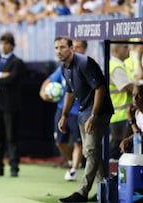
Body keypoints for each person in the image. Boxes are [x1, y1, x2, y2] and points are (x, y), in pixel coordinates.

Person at [55, 36, 114, 203]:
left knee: (90, 151)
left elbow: (100, 89)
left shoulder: (84, 63)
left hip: (98, 112)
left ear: (71, 48)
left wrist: (94, 116)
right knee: (93, 152)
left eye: (62, 47)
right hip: (83, 113)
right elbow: (69, 92)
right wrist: (64, 115)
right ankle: (105, 191)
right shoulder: (64, 68)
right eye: (56, 48)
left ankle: (82, 193)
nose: (59, 51)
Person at [39, 40, 86, 181]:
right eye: (57, 48)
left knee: (79, 142)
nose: (75, 50)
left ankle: (73, 170)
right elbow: (47, 83)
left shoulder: (85, 67)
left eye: (78, 48)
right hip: (62, 109)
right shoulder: (62, 68)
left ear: (83, 50)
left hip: (79, 111)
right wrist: (43, 94)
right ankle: (72, 160)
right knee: (59, 141)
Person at [0, 32, 26, 177]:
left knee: (11, 137)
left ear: (12, 46)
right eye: (1, 43)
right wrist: (1, 75)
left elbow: (12, 79)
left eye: (6, 43)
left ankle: (14, 167)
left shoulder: (17, 62)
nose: (3, 46)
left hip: (10, 105)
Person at [108, 42, 133, 160]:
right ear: (117, 50)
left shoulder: (118, 65)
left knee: (120, 150)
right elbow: (129, 87)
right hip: (121, 116)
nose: (128, 49)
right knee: (120, 151)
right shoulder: (116, 67)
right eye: (125, 47)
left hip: (119, 115)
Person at [120, 82, 143, 153]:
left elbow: (140, 137)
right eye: (133, 95)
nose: (135, 99)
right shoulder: (138, 113)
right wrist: (127, 140)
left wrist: (131, 120)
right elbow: (139, 133)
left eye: (139, 95)